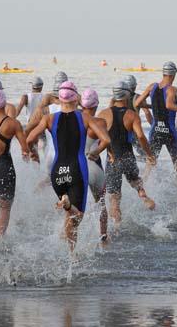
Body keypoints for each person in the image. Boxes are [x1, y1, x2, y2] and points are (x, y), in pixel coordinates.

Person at [27, 82, 110, 252]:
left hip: (57, 171)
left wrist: (33, 153)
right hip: (77, 169)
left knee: (69, 216)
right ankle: (73, 255)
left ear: (60, 98)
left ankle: (68, 252)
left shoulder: (49, 119)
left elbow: (29, 139)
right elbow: (106, 140)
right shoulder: (84, 117)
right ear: (75, 98)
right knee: (76, 217)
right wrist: (96, 152)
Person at [98, 81, 156, 231]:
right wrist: (149, 155)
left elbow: (98, 138)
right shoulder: (132, 115)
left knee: (115, 200)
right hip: (128, 158)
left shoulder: (103, 114)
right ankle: (145, 198)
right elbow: (141, 137)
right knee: (137, 183)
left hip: (113, 160)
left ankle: (117, 228)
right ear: (126, 96)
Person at [0, 89, 30, 238]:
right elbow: (24, 148)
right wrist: (26, 154)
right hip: (4, 166)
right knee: (5, 207)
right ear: (4, 102)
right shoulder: (13, 123)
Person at [135, 61, 177, 177]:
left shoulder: (151, 86)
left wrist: (153, 106)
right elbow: (169, 105)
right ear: (173, 75)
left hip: (156, 130)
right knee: (176, 161)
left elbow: (137, 103)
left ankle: (145, 185)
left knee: (150, 161)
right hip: (169, 131)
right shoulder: (172, 89)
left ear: (163, 74)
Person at [80, 88, 109, 241]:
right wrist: (96, 152)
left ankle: (68, 237)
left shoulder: (72, 119)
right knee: (101, 203)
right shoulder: (99, 122)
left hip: (75, 165)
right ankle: (103, 237)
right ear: (96, 105)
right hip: (93, 166)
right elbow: (107, 141)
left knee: (74, 203)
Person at [123, 75, 153, 159]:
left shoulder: (118, 98)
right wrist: (153, 125)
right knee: (146, 155)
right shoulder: (138, 98)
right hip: (134, 130)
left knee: (122, 155)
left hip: (121, 130)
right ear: (135, 86)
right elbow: (147, 113)